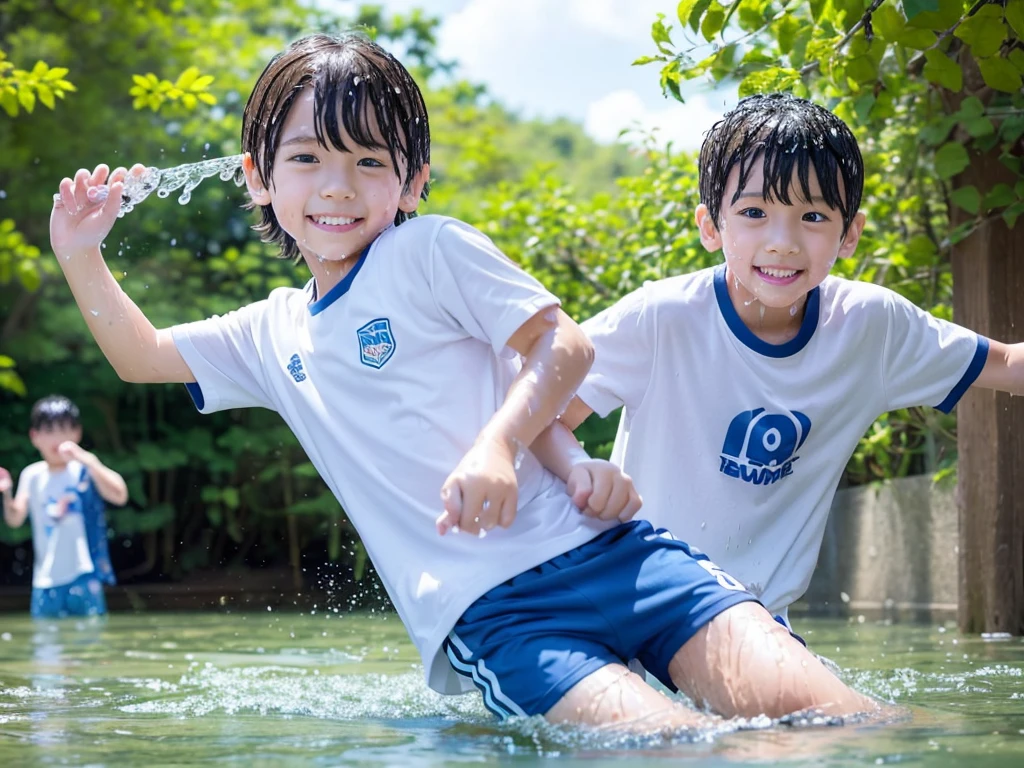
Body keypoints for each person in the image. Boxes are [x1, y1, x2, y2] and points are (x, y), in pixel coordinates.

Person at [48, 38, 877, 729]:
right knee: (679, 747)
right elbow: (143, 353)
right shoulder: (270, 333)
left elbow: (565, 345)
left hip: (621, 556)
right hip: (497, 615)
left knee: (841, 724)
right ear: (259, 176)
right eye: (306, 159)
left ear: (413, 180)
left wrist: (503, 445)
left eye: (368, 160)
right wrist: (80, 255)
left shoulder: (431, 250)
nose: (337, 186)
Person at [543, 92, 1021, 632]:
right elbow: (538, 416)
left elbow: (1007, 365)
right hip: (635, 601)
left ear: (850, 234)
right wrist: (580, 467)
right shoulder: (662, 318)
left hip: (760, 622)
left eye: (813, 215)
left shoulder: (869, 328)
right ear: (710, 226)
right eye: (753, 213)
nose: (783, 242)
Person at [0, 395, 128, 618]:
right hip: (45, 580)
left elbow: (120, 495)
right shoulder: (32, 475)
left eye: (64, 429)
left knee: (91, 641)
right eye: (49, 430)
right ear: (34, 437)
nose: (57, 438)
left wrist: (86, 458)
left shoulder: (84, 469)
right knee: (46, 646)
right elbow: (15, 519)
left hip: (84, 575)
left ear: (77, 433)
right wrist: (7, 492)